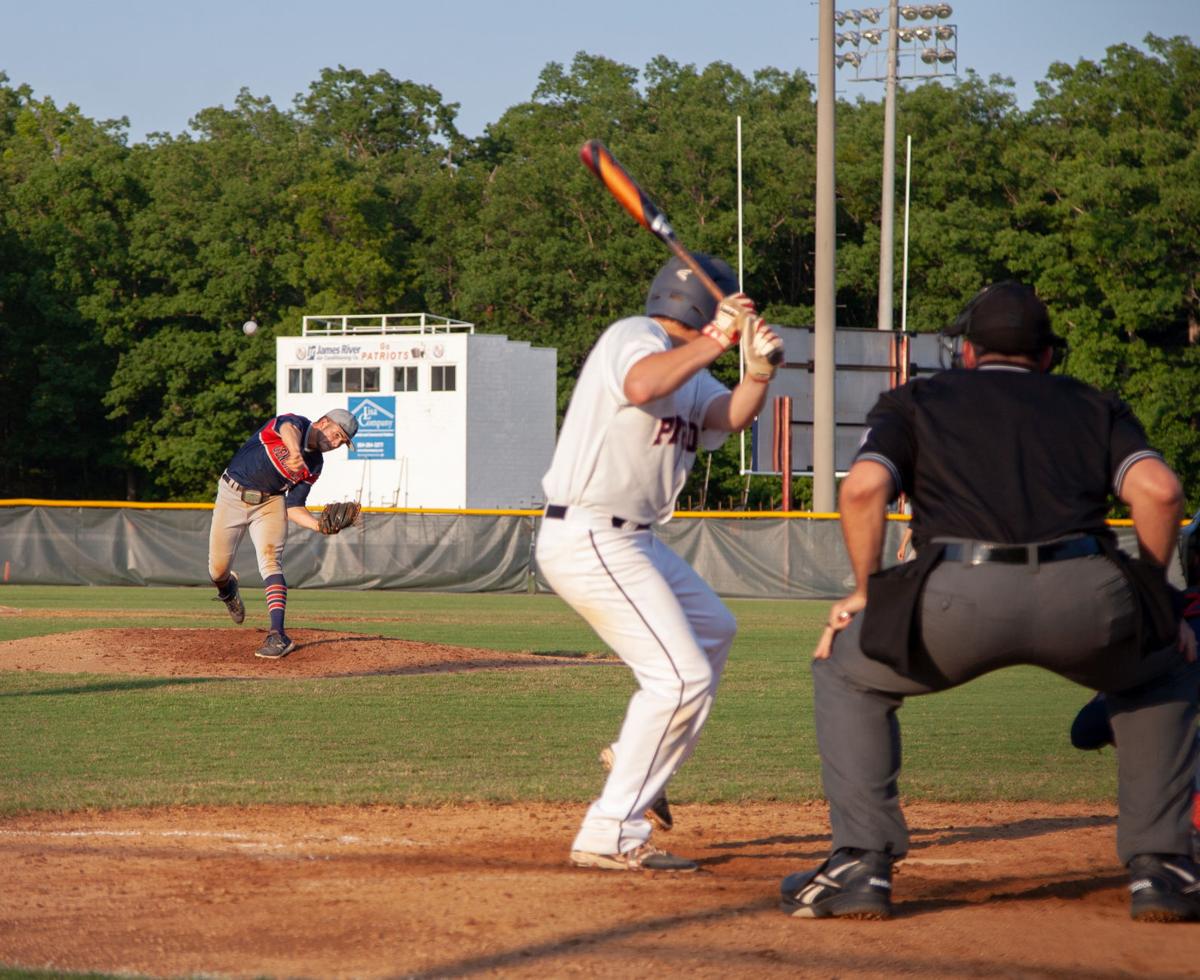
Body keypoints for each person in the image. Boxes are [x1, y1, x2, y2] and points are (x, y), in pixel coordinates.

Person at [780, 281, 1200, 922]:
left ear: (968, 352)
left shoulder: (916, 399)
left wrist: (867, 590)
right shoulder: (1093, 403)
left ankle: (860, 866)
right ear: (1048, 356)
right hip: (1084, 593)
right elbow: (1161, 491)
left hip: (954, 595)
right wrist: (1153, 595)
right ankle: (1163, 869)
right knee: (1165, 669)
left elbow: (863, 489)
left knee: (846, 670)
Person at [536, 252, 783, 872]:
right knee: (679, 681)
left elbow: (725, 416)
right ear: (703, 307)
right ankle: (608, 831)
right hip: (590, 532)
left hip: (634, 540)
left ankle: (631, 754)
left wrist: (756, 375)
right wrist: (721, 337)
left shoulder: (690, 366)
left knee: (715, 629)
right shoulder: (633, 336)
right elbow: (643, 385)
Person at [208, 408, 358, 659]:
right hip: (232, 496)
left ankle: (277, 634)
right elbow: (287, 429)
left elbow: (295, 506)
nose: (336, 443)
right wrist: (295, 450)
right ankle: (228, 589)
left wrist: (319, 526)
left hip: (270, 504)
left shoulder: (315, 465)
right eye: (336, 435)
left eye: (342, 441)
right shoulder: (296, 423)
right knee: (217, 570)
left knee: (270, 559)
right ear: (323, 422)